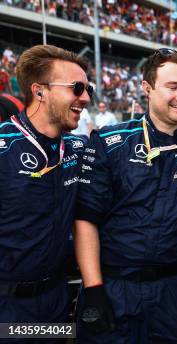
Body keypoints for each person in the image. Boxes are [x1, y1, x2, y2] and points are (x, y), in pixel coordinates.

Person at [73, 48, 177, 343]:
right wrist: (94, 289)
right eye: (172, 87)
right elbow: (86, 218)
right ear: (147, 89)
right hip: (113, 288)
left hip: (174, 292)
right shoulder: (110, 143)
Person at [0, 44, 90, 332]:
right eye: (77, 88)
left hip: (56, 299)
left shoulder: (78, 149)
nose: (86, 98)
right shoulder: (3, 147)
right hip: (7, 305)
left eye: (88, 89)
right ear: (39, 91)